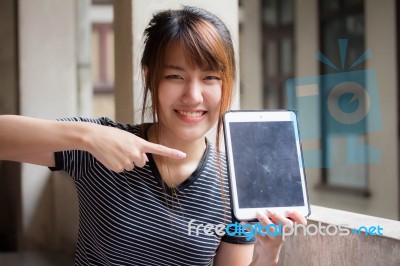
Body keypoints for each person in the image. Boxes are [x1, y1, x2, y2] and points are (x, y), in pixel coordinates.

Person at [0, 6, 306, 266]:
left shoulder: (237, 183)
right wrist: (88, 135)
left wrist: (268, 253)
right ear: (150, 76)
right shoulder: (103, 145)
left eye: (210, 77)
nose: (193, 95)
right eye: (176, 76)